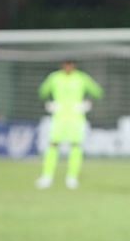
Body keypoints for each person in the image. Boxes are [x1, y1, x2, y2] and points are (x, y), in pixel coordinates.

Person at [35, 60, 103, 190]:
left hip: (76, 118)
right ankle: (47, 177)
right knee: (53, 145)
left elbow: (98, 92)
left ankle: (72, 178)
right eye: (66, 64)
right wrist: (48, 103)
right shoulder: (54, 77)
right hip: (59, 117)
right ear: (62, 65)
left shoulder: (82, 78)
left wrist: (87, 102)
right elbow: (42, 92)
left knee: (76, 146)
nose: (68, 66)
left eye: (70, 64)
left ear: (74, 65)